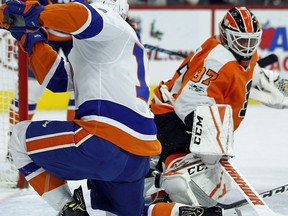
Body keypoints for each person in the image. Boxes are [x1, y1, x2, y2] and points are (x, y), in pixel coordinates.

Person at [0, 0, 163, 215]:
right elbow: (58, 80)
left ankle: (68, 208)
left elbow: (82, 15)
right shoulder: (106, 49)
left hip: (103, 142)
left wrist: (34, 14)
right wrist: (31, 39)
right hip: (137, 160)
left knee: (19, 139)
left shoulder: (110, 19)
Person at [146, 5, 288, 215]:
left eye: (251, 41)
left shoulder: (235, 54)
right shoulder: (217, 61)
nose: (247, 48)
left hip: (176, 116)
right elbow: (188, 103)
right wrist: (211, 141)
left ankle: (163, 187)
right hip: (171, 119)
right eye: (241, 41)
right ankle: (161, 193)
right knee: (185, 182)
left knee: (211, 181)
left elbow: (246, 75)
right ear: (227, 36)